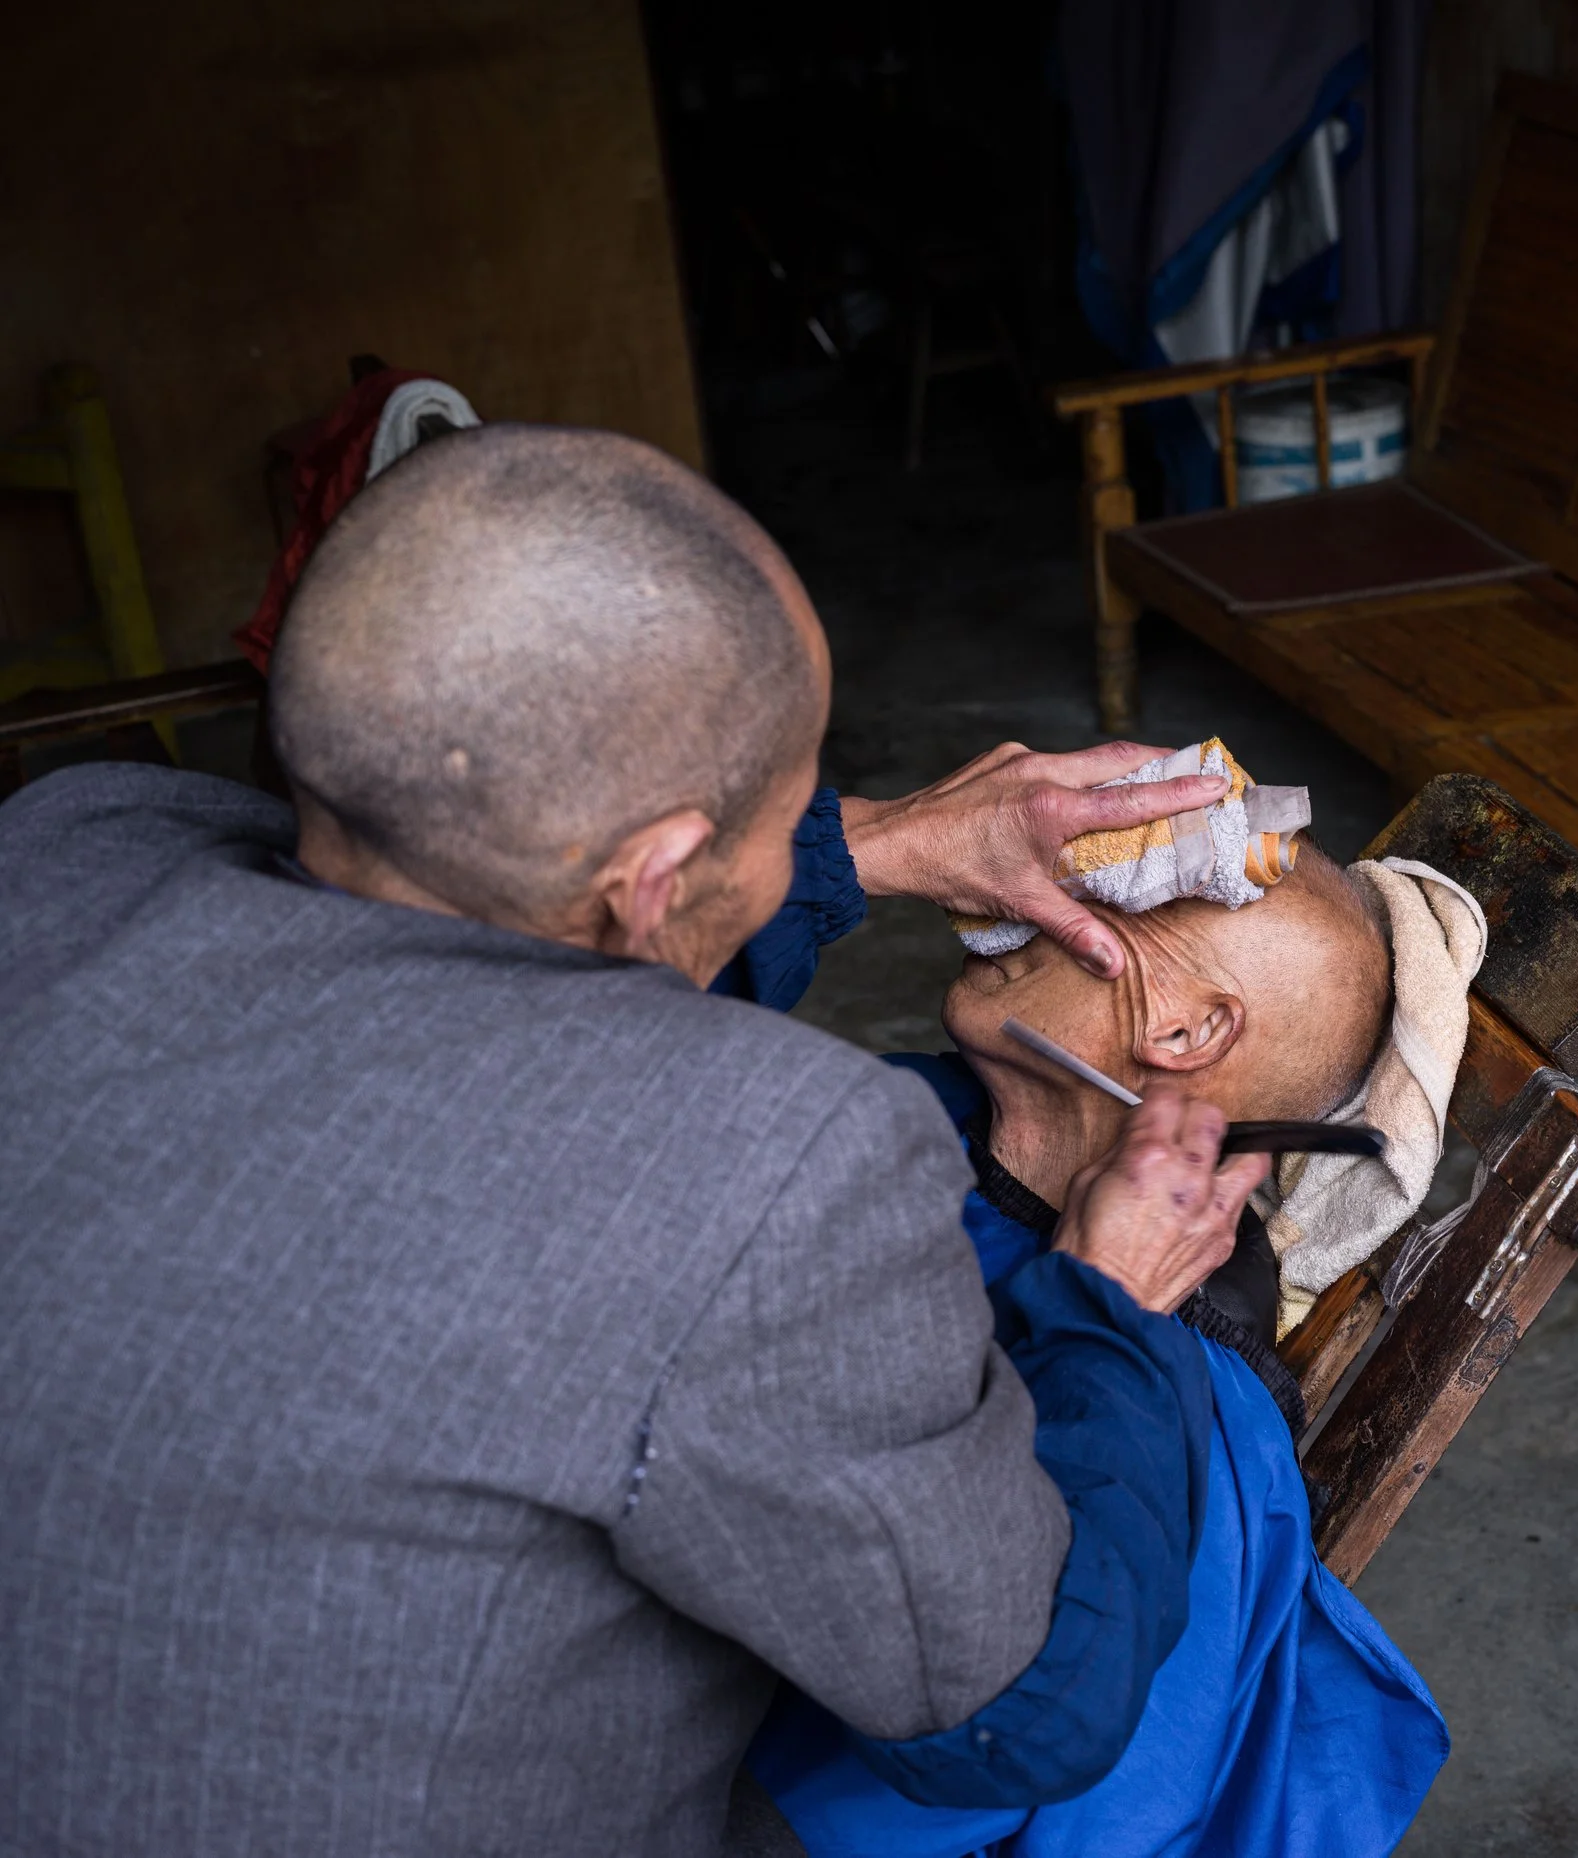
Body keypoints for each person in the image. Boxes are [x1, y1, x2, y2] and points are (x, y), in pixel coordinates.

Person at [0, 425, 1274, 1856]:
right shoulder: (768, 1170)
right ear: (654, 874)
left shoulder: (70, 841)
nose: (812, 835)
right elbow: (1023, 1709)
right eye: (797, 807)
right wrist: (1107, 1307)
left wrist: (875, 841)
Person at [742, 847, 1451, 1858]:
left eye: (1119, 897)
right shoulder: (892, 1120)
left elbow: (1082, 1792)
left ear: (1185, 1031)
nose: (1033, 890)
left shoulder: (1194, 1432)